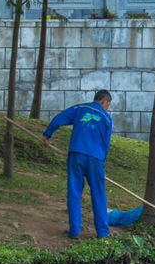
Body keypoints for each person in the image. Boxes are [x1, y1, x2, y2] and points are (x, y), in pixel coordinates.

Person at [42, 90, 113, 239]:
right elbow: (106, 144)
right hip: (95, 159)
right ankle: (103, 233)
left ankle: (74, 231)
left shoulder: (80, 108)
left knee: (74, 193)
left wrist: (47, 135)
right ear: (103, 101)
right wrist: (101, 164)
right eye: (108, 105)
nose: (107, 108)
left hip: (76, 155)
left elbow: (59, 118)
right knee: (99, 195)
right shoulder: (107, 118)